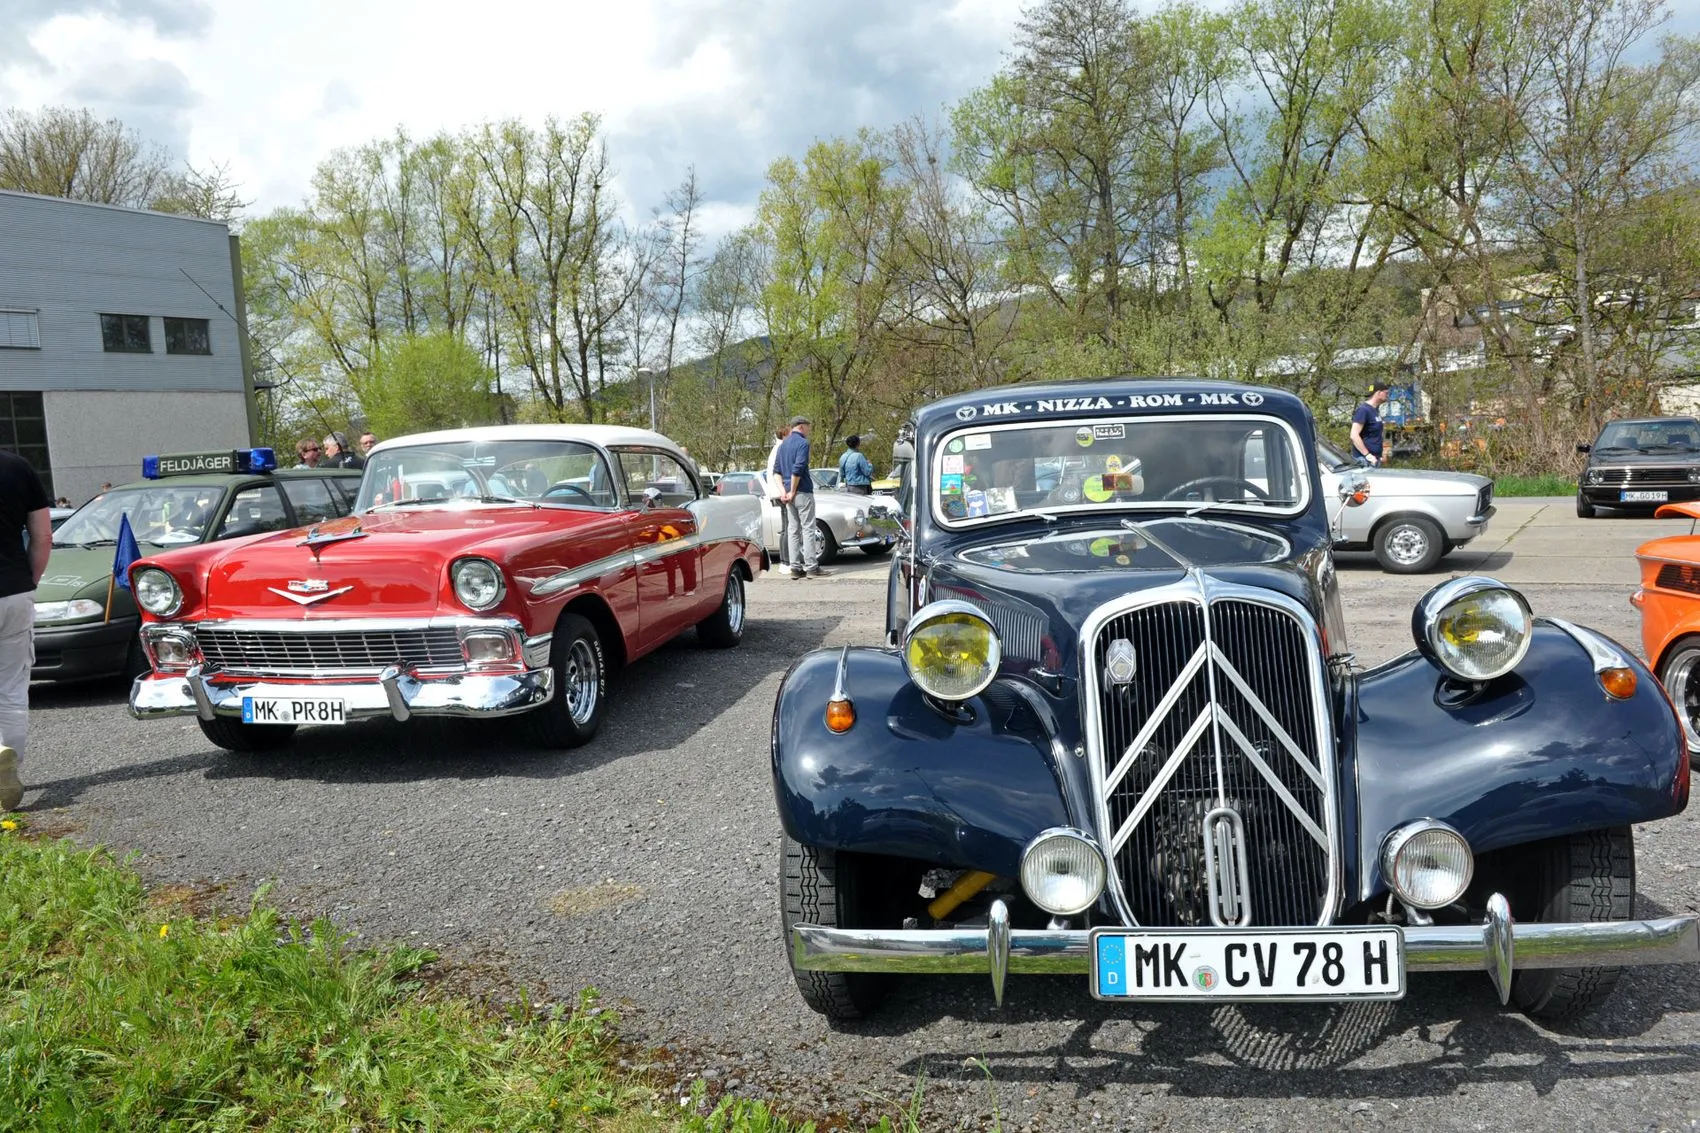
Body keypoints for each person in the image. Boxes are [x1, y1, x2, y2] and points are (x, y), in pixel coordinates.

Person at [0, 449, 51, 811]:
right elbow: (43, 536)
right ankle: (7, 760)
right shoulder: (17, 467)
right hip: (13, 591)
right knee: (12, 686)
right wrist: (30, 580)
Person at [777, 415, 830, 578]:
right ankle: (812, 567)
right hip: (802, 491)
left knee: (793, 530)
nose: (809, 430)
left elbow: (776, 472)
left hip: (788, 493)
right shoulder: (803, 443)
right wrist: (793, 491)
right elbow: (798, 469)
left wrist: (784, 492)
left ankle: (795, 567)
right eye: (808, 427)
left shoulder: (783, 445)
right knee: (808, 529)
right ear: (801, 426)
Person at [764, 423, 792, 566]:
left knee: (786, 527)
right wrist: (784, 492)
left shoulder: (776, 448)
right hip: (782, 493)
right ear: (784, 434)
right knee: (788, 528)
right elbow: (780, 472)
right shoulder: (781, 448)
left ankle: (785, 560)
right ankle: (786, 560)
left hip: (777, 492)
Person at [1351, 382, 1391, 467]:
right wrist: (1368, 456)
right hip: (1364, 461)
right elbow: (1354, 435)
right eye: (1386, 393)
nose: (1387, 395)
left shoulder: (1375, 410)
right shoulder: (1363, 410)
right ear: (1378, 393)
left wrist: (1381, 454)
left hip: (1375, 459)